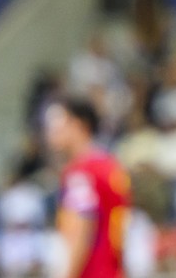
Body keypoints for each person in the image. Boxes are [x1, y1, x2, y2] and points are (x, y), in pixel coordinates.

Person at [44, 97, 132, 278]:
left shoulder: (80, 173)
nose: (51, 131)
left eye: (57, 122)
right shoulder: (111, 166)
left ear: (78, 125)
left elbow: (79, 231)